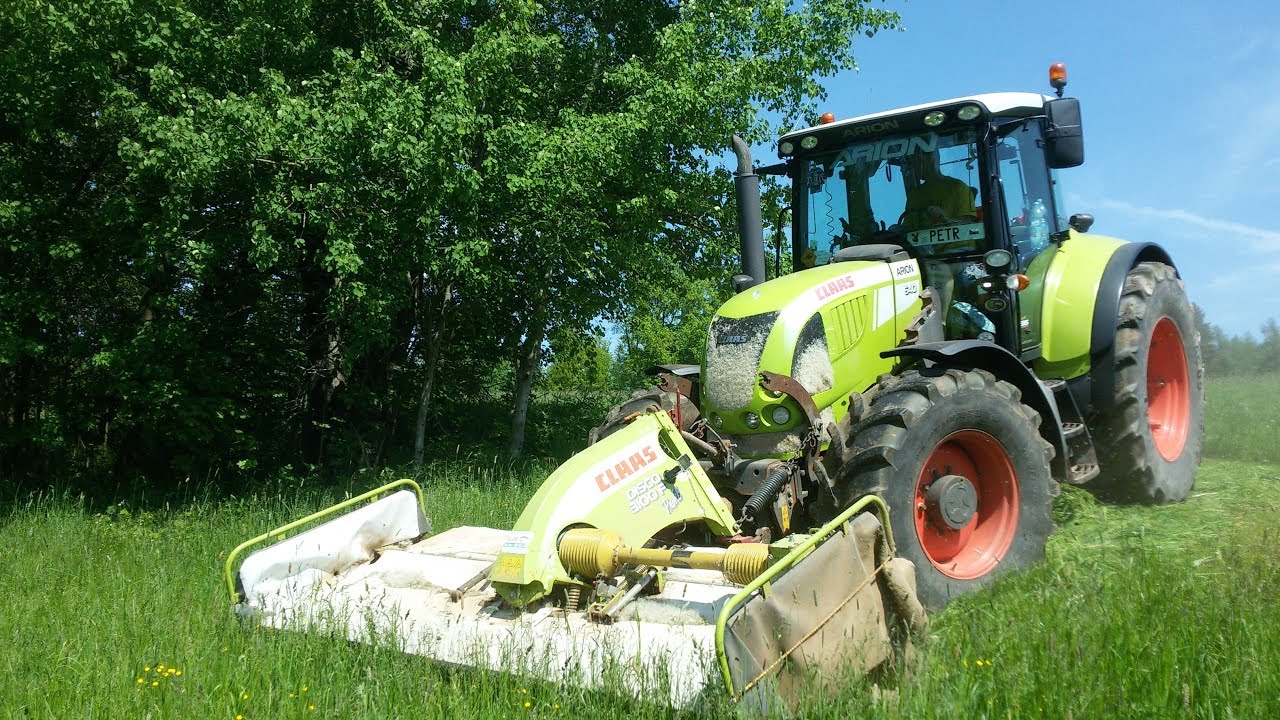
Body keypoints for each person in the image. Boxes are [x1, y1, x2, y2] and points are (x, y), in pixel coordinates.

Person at [900, 150, 975, 229]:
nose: (913, 165)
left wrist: (945, 219)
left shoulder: (958, 187)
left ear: (932, 159)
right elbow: (907, 228)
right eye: (912, 161)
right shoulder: (914, 195)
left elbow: (970, 226)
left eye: (917, 160)